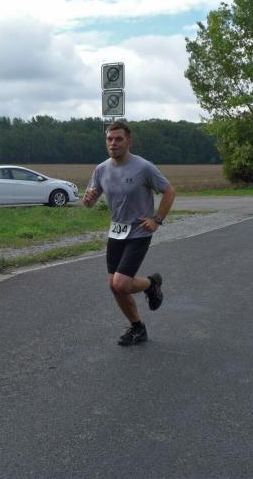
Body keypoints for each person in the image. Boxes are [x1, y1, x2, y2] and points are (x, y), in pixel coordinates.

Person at [82, 120, 176, 346]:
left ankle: (151, 284)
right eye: (109, 139)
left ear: (128, 142)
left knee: (122, 284)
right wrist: (87, 200)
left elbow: (169, 191)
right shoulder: (101, 169)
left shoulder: (143, 167)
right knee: (114, 286)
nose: (113, 143)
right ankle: (137, 327)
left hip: (139, 232)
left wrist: (157, 219)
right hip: (116, 232)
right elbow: (90, 202)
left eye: (118, 139)